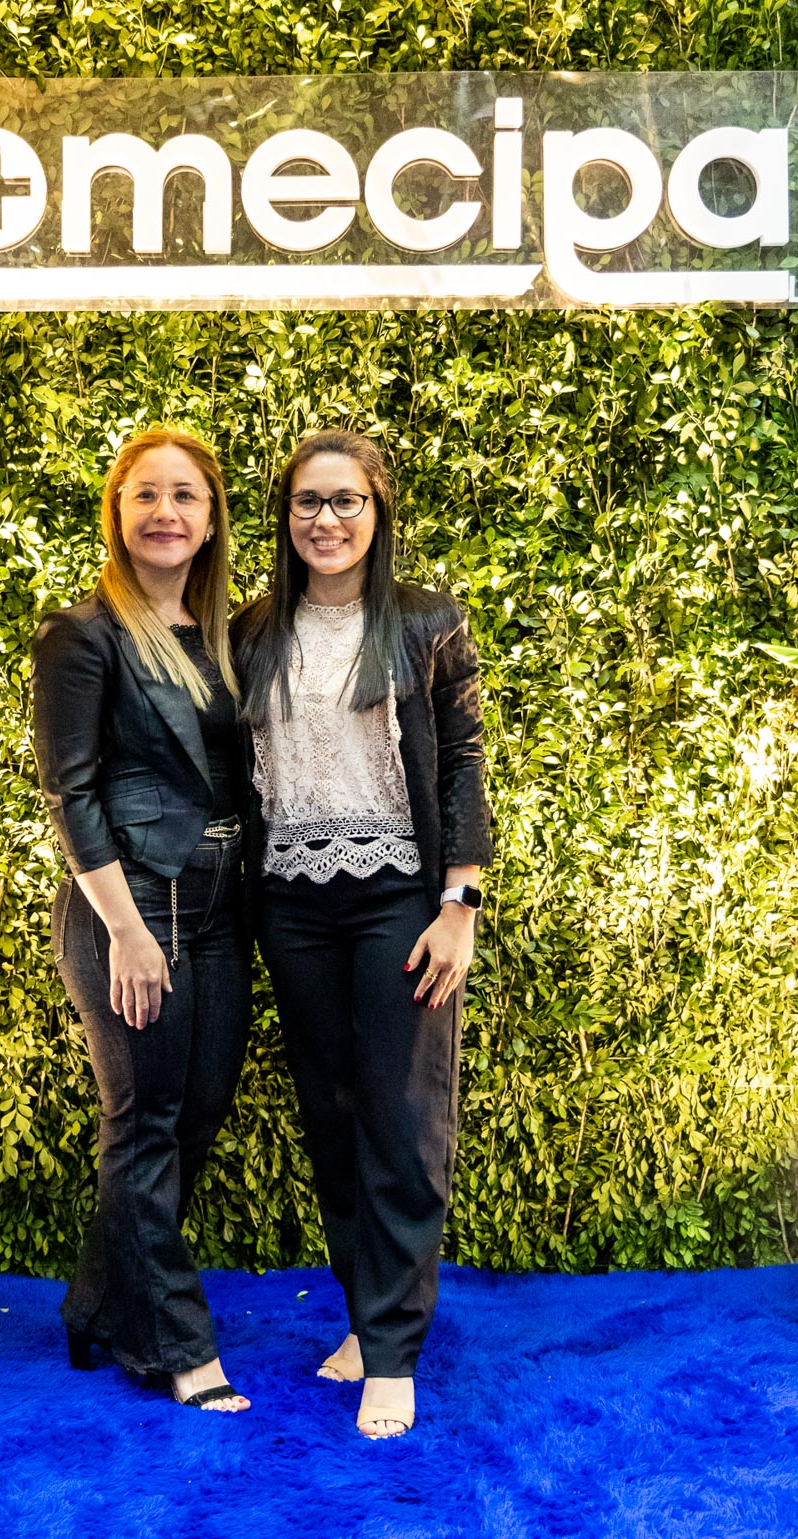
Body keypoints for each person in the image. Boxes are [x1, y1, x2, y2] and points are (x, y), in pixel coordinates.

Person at [232, 429, 492, 1438]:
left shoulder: (425, 620)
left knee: (401, 1119)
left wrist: (459, 904)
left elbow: (462, 759)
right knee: (332, 1117)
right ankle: (363, 1313)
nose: (326, 519)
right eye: (307, 501)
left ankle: (392, 1351)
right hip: (292, 901)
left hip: (399, 896)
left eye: (346, 501)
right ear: (284, 516)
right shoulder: (252, 629)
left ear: (377, 513)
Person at [32, 428, 251, 1413]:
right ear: (117, 513)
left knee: (194, 1114)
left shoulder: (228, 635)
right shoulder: (83, 634)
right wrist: (124, 929)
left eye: (184, 495)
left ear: (210, 519)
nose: (165, 511)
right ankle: (174, 1343)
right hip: (133, 904)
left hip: (220, 904)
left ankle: (96, 1305)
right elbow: (70, 793)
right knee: (144, 1123)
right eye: (145, 494)